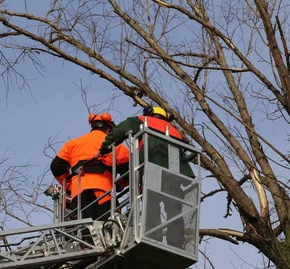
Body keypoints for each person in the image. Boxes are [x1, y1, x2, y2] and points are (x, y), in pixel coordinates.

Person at [97, 106, 195, 248]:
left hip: (152, 168)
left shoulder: (143, 121)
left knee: (151, 204)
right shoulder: (175, 131)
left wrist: (104, 148)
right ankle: (176, 242)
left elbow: (119, 131)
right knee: (174, 207)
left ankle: (154, 239)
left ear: (150, 113)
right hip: (175, 174)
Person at [51, 112, 129, 221]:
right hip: (104, 191)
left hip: (78, 192)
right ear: (109, 131)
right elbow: (129, 170)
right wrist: (120, 185)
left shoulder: (72, 144)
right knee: (110, 228)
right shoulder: (116, 145)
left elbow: (56, 166)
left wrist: (69, 186)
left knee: (83, 231)